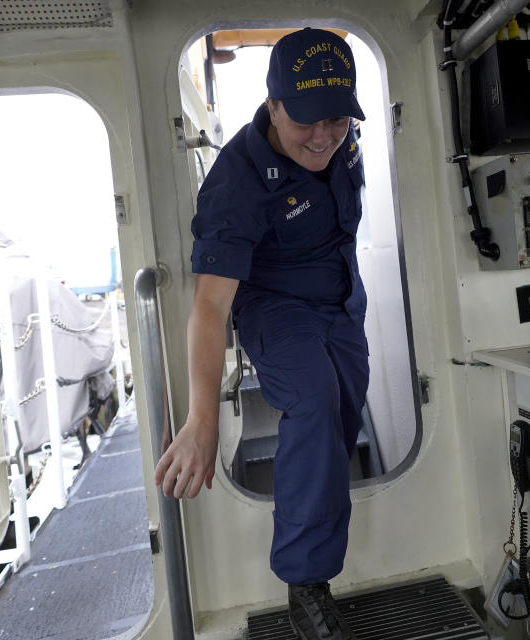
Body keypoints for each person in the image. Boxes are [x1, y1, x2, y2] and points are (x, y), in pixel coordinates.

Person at [154, 27, 368, 640]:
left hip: (341, 301)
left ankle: (315, 541)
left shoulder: (342, 143)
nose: (325, 136)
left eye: (337, 119)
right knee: (313, 398)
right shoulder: (236, 183)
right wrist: (201, 420)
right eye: (307, 121)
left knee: (344, 409)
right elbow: (209, 307)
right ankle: (306, 585)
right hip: (274, 306)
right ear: (273, 104)